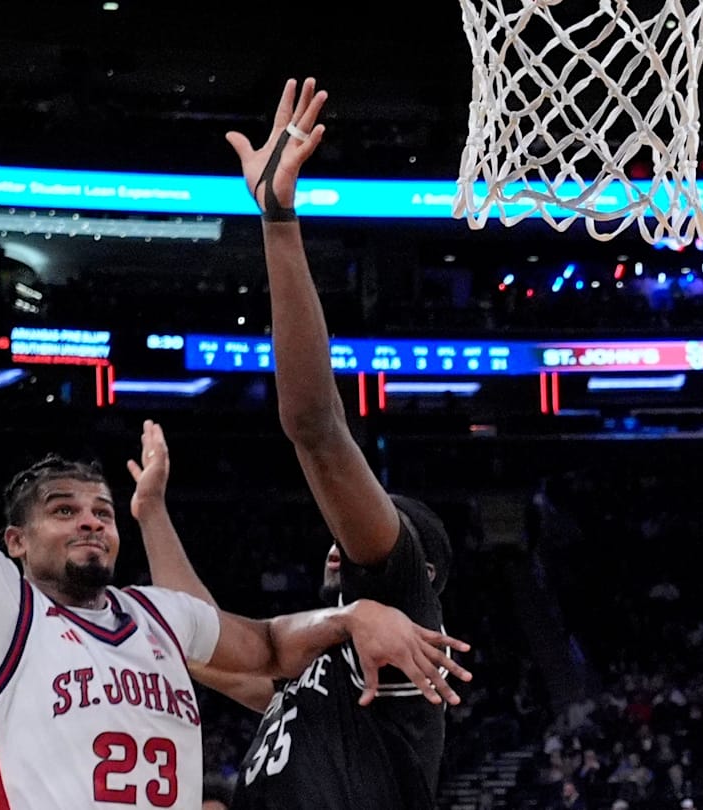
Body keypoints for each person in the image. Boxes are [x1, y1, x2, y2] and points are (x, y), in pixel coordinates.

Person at [0, 156, 471, 810]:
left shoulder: (157, 617)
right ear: (14, 541)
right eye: (63, 510)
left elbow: (271, 645)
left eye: (103, 512)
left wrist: (349, 615)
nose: (91, 521)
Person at [131, 77, 462, 810]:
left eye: (369, 525)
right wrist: (152, 512)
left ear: (419, 569)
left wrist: (278, 221)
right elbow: (199, 640)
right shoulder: (321, 674)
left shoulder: (400, 612)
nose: (340, 538)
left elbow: (316, 427)